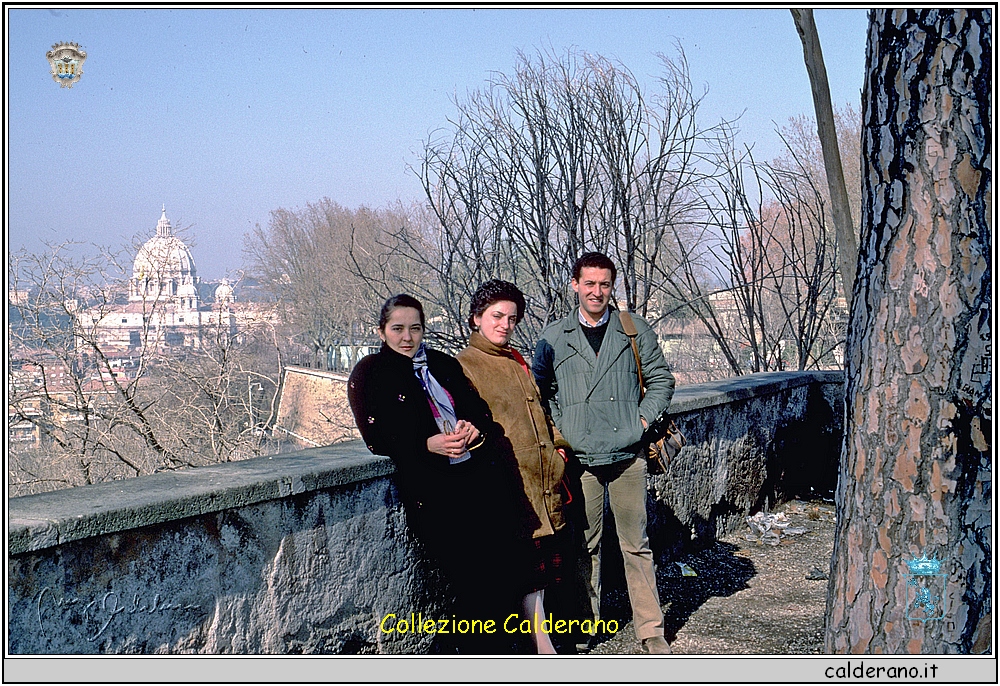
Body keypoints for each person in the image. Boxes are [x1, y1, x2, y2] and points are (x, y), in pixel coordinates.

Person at [347, 294, 527, 653]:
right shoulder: (370, 373)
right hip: (433, 492)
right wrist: (425, 445)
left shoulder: (442, 364)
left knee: (499, 576)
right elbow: (377, 435)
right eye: (397, 329)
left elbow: (479, 411)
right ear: (381, 331)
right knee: (469, 582)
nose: (407, 337)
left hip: (479, 483)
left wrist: (474, 428)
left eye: (415, 328)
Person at [532, 252, 675, 655]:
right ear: (575, 285)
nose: (597, 292)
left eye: (605, 285)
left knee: (636, 543)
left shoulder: (633, 329)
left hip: (628, 455)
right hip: (581, 461)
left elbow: (662, 380)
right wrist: (564, 433)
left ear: (612, 288)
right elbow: (541, 393)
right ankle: (582, 626)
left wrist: (641, 423)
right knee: (584, 545)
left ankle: (651, 629)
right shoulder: (553, 337)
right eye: (589, 284)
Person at [456, 280, 573, 655]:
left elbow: (539, 414)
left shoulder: (517, 361)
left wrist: (559, 451)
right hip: (511, 485)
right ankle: (542, 648)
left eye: (512, 318)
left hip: (544, 480)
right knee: (525, 572)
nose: (505, 325)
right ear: (476, 318)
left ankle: (544, 644)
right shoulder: (464, 366)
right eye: (496, 316)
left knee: (544, 570)